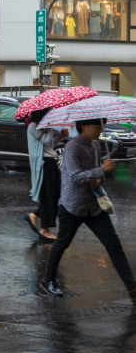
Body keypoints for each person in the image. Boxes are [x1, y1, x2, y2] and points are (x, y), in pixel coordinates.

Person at [41, 118, 136, 298]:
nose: (101, 129)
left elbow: (96, 174)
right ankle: (48, 280)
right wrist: (101, 170)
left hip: (94, 206)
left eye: (101, 125)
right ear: (83, 126)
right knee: (61, 244)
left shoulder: (95, 144)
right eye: (97, 126)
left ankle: (132, 288)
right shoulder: (72, 147)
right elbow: (75, 176)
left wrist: (100, 176)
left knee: (113, 245)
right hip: (73, 205)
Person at [27, 111, 63, 243]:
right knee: (48, 195)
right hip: (43, 164)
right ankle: (44, 230)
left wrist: (60, 137)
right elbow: (46, 141)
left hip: (50, 162)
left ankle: (35, 214)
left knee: (55, 195)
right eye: (48, 113)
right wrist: (49, 127)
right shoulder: (33, 126)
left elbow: (50, 145)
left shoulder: (44, 126)